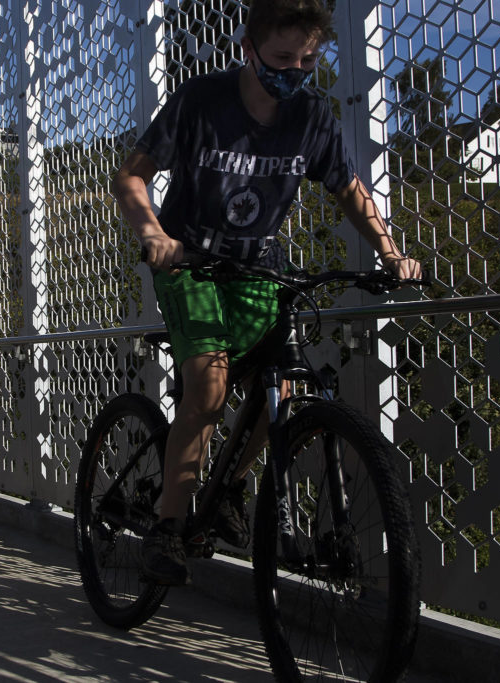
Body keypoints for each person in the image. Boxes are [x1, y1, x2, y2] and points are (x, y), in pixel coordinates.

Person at [112, 0, 422, 586]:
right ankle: (169, 527)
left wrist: (389, 251)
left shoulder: (311, 117)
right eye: (283, 58)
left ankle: (228, 486)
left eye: (308, 60)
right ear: (248, 47)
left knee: (279, 381)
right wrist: (153, 233)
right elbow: (131, 175)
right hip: (190, 261)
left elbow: (348, 187)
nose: (296, 71)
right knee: (207, 389)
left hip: (260, 267)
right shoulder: (201, 101)